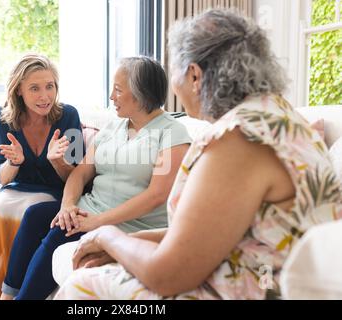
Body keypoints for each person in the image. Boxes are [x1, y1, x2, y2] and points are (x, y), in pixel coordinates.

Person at [54, 9, 342, 300]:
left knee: (82, 284)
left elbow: (167, 276)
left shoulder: (237, 140)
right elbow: (217, 235)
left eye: (174, 70)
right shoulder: (281, 119)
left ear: (194, 74)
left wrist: (106, 235)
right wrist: (127, 241)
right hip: (263, 274)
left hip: (253, 290)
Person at [0, 56, 191, 300]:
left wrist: (96, 222)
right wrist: (67, 206)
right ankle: (6, 296)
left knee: (61, 229)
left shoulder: (172, 132)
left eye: (118, 90)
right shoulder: (115, 127)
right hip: (91, 209)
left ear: (141, 93)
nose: (111, 96)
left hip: (131, 223)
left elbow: (157, 195)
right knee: (36, 215)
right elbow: (81, 172)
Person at [0, 53, 84, 300]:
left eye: (50, 86)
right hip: (16, 187)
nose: (45, 96)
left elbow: (79, 177)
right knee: (0, 208)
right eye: (35, 88)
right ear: (19, 90)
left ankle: (15, 291)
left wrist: (57, 161)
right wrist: (13, 163)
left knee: (31, 208)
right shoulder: (3, 118)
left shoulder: (69, 115)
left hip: (54, 191)